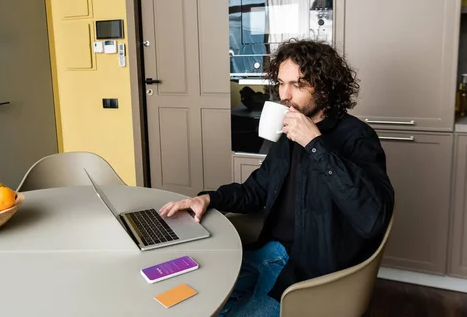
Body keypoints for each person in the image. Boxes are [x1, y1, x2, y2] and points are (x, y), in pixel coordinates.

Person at [159, 39, 395, 317]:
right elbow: (257, 189)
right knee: (194, 300)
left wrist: (314, 143)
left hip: (305, 269)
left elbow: (373, 217)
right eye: (281, 83)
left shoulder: (357, 137)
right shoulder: (288, 134)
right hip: (267, 251)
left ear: (326, 86)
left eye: (298, 84)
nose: (285, 94)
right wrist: (209, 198)